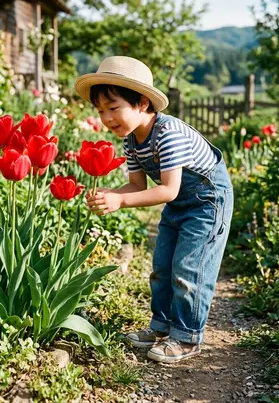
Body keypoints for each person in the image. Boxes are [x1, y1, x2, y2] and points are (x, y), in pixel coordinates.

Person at [74, 56, 233, 364]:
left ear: (143, 103)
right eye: (101, 111)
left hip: (207, 200)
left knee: (189, 269)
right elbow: (135, 185)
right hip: (178, 203)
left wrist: (120, 201)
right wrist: (111, 193)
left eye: (114, 107)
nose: (106, 118)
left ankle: (187, 337)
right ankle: (161, 328)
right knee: (161, 267)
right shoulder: (131, 141)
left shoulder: (168, 133)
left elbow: (168, 189)